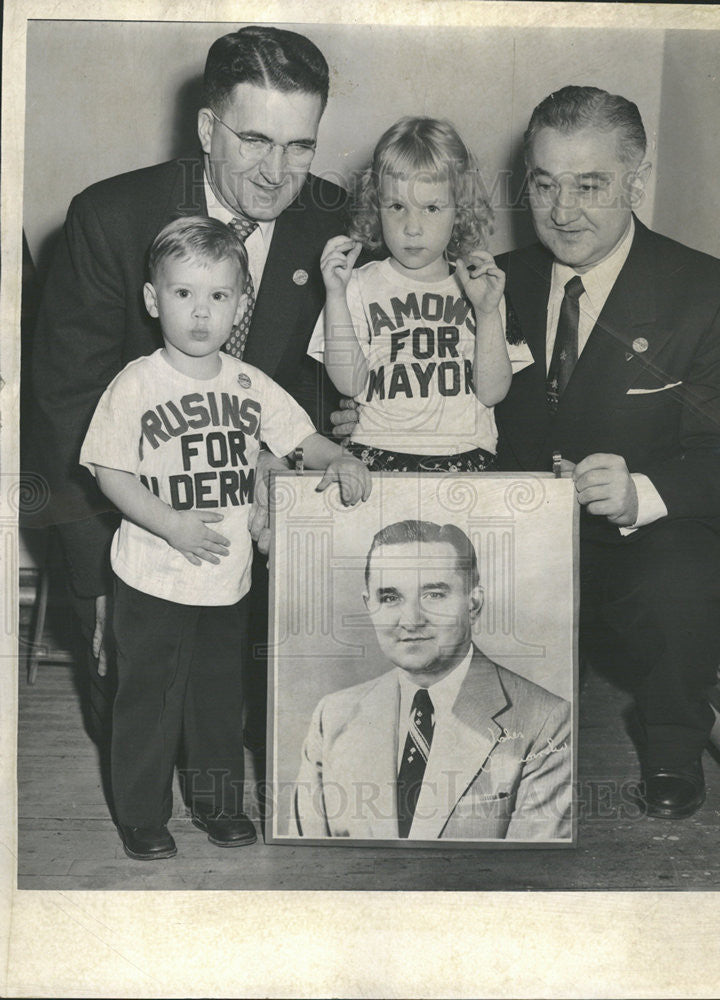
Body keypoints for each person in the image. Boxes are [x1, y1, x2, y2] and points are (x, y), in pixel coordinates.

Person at [29, 25, 347, 745]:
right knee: (142, 734)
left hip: (261, 537)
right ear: (208, 128)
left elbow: (318, 386)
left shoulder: (330, 219)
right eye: (255, 140)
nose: (277, 172)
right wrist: (96, 583)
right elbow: (61, 411)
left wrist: (284, 468)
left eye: (300, 146)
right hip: (137, 538)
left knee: (259, 739)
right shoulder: (109, 220)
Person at [492, 86, 720, 819]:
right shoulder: (490, 284)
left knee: (681, 577)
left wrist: (638, 491)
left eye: (590, 185)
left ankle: (674, 746)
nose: (561, 210)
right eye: (544, 183)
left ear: (636, 181)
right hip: (517, 531)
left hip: (643, 536)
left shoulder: (712, 293)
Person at [79, 217, 371, 860]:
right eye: (183, 294)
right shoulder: (137, 383)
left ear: (240, 304)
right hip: (152, 577)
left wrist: (338, 459)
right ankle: (142, 816)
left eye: (217, 296)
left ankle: (218, 806)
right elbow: (109, 474)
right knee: (149, 704)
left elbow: (300, 439)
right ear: (155, 300)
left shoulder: (248, 383)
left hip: (226, 580)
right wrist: (172, 523)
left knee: (217, 701)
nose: (200, 313)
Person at [291, 519, 572, 841]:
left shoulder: (547, 721)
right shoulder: (333, 715)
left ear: (474, 603)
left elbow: (533, 872)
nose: (411, 620)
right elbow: (309, 857)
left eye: (434, 594)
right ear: (369, 605)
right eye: (390, 597)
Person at [307, 117, 533, 472]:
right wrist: (335, 295)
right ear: (375, 205)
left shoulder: (481, 288)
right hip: (376, 454)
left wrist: (488, 312)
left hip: (466, 456)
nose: (412, 228)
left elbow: (492, 393)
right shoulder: (358, 285)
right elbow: (349, 382)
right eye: (397, 207)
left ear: (460, 209)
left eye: (431, 208)